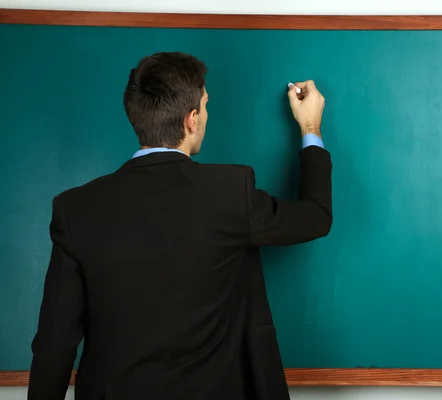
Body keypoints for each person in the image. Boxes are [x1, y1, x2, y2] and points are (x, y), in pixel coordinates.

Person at [28, 52, 332, 400]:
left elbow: (54, 343)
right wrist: (310, 129)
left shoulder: (75, 209)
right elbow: (316, 216)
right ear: (191, 120)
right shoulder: (230, 194)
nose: (205, 115)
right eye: (205, 106)